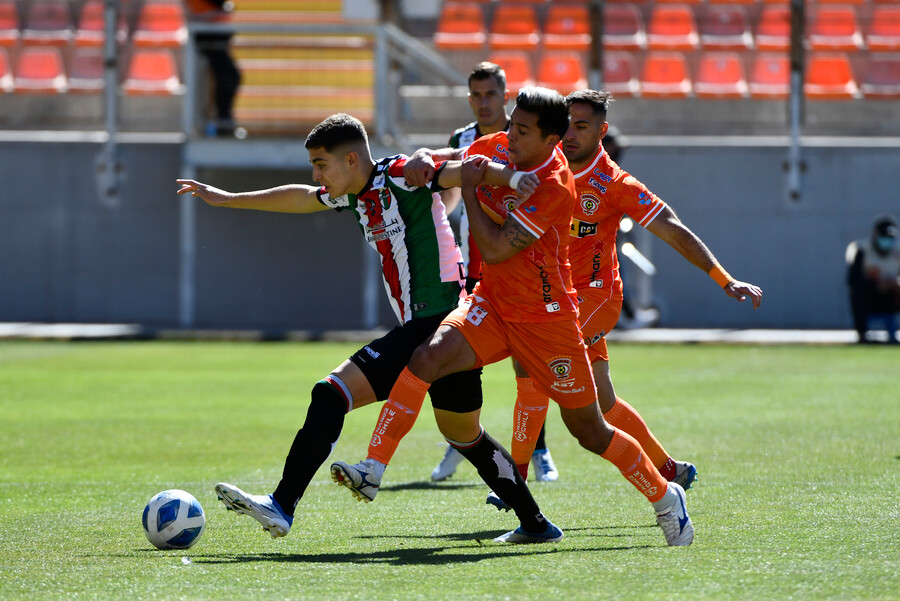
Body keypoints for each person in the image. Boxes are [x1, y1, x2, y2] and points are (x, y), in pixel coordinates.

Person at [330, 87, 696, 546]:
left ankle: (666, 499)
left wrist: (468, 183)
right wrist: (425, 160)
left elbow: (498, 246)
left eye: (522, 130)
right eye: (511, 124)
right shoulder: (501, 146)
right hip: (493, 304)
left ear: (551, 140)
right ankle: (373, 468)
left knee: (588, 429)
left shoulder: (556, 185)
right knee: (427, 357)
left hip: (547, 321)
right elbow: (454, 161)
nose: (510, 135)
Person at [175, 113, 551, 542]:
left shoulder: (399, 175)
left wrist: (512, 178)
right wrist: (229, 199)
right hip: (449, 333)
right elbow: (301, 198)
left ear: (351, 160)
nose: (316, 174)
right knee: (464, 434)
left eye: (321, 164)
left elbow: (458, 172)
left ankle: (282, 504)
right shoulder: (355, 194)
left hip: (439, 319)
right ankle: (537, 524)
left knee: (330, 392)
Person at [430, 61, 560, 485]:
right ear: (469, 98)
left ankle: (537, 451)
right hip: (474, 266)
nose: (483, 103)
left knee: (527, 365)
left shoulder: (526, 136)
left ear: (504, 97)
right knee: (462, 362)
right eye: (475, 95)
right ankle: (461, 444)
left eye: (490, 95)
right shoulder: (460, 140)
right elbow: (447, 192)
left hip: (520, 269)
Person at [185, 0, 242, 137]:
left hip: (212, 34)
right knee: (227, 77)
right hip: (207, 36)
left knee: (225, 77)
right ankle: (222, 123)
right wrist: (225, 6)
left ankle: (221, 123)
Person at [846, 215, 900, 343]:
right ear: (876, 234)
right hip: (870, 295)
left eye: (890, 238)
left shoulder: (898, 251)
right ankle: (862, 334)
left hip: (891, 296)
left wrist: (895, 284)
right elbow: (853, 279)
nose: (887, 241)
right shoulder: (862, 249)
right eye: (884, 237)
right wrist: (876, 282)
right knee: (856, 291)